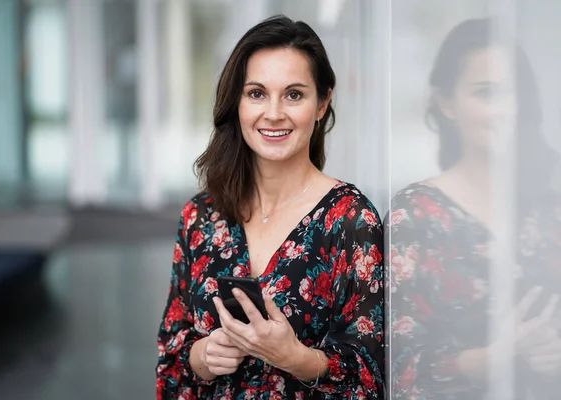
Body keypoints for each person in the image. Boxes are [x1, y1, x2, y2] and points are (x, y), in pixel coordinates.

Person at [155, 15, 384, 400]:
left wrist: (296, 358)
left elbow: (370, 375)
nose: (274, 113)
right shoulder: (200, 216)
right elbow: (171, 357)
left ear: (322, 102)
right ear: (237, 102)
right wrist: (203, 356)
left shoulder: (351, 219)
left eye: (294, 94)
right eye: (257, 93)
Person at [387, 17, 561, 399]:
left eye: (513, 92)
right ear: (446, 102)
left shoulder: (550, 209)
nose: (505, 109)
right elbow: (393, 364)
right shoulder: (414, 215)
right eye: (486, 93)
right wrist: (493, 359)